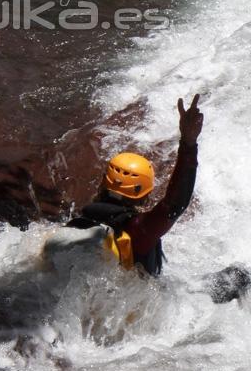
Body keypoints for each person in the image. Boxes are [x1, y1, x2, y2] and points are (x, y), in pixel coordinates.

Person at [67, 94, 204, 275]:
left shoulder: (77, 224)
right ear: (144, 198)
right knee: (238, 276)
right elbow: (175, 204)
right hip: (138, 299)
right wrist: (188, 143)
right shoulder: (140, 230)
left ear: (102, 185)